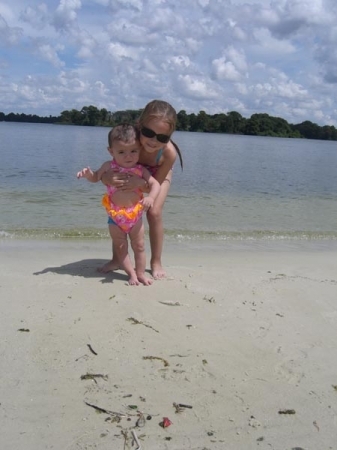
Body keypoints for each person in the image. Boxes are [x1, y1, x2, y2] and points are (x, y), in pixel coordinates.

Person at [100, 99, 183, 279]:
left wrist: (140, 184)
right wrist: (105, 178)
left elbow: (153, 186)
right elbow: (110, 167)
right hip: (135, 173)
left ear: (169, 137)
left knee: (154, 212)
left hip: (159, 175)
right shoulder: (129, 138)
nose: (153, 141)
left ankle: (156, 261)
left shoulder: (168, 153)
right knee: (120, 208)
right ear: (140, 126)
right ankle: (117, 259)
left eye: (162, 137)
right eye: (148, 133)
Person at [77, 124, 160, 286]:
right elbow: (95, 178)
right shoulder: (108, 166)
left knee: (140, 245)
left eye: (133, 151)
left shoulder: (141, 170)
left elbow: (155, 184)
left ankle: (141, 273)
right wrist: (88, 175)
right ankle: (131, 275)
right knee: (121, 246)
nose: (128, 156)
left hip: (135, 215)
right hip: (115, 216)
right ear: (111, 151)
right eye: (121, 152)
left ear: (139, 150)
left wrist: (151, 197)